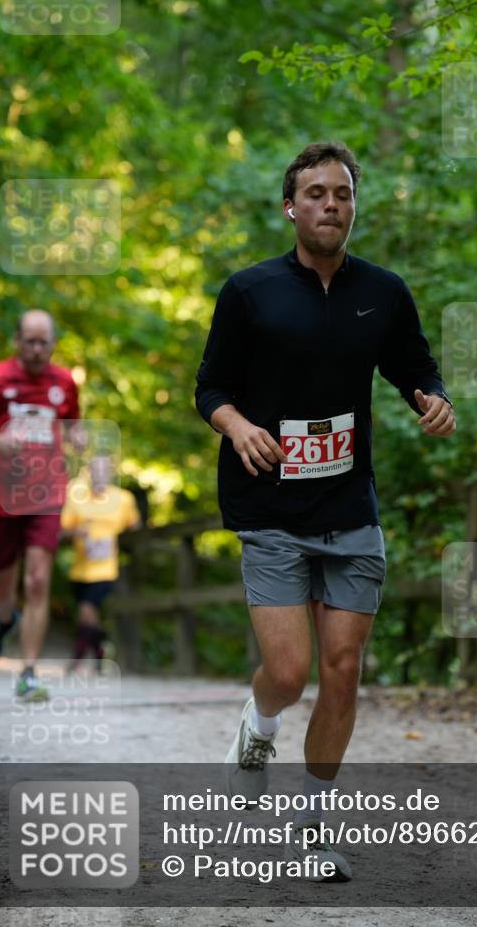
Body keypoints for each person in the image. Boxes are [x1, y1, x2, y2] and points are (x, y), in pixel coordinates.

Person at [195, 141, 455, 880]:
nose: (329, 205)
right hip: (270, 506)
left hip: (349, 504)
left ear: (352, 205)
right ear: (290, 206)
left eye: (340, 193)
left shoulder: (383, 291)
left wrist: (431, 400)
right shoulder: (249, 291)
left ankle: (310, 828)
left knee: (341, 670)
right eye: (314, 193)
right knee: (287, 669)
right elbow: (209, 389)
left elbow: (415, 367)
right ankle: (259, 723)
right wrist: (239, 426)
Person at [0, 310, 81, 700]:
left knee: (37, 580)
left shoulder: (64, 382)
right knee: (3, 591)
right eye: (29, 341)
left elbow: (72, 424)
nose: (37, 349)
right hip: (0, 496)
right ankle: (4, 622)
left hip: (46, 493)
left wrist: (78, 438)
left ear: (53, 344)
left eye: (44, 342)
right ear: (17, 340)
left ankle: (29, 672)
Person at [60, 454, 141, 669]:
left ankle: (76, 657)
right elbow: (62, 531)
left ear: (111, 473)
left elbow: (136, 528)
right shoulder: (76, 498)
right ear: (88, 472)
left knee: (87, 609)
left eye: (104, 470)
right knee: (87, 614)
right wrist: (78, 531)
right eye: (95, 470)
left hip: (107, 567)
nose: (99, 474)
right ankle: (100, 654)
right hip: (80, 568)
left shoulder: (123, 499)